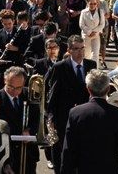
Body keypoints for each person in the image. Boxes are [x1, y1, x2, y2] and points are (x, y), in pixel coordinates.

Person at [61, 70, 118, 174]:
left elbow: (68, 150)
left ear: (88, 89)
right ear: (108, 89)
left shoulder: (75, 113)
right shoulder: (117, 114)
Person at [46, 35, 97, 174]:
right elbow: (52, 95)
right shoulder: (60, 67)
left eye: (82, 48)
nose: (80, 52)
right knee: (63, 156)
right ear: (69, 50)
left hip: (86, 119)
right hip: (65, 119)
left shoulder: (91, 65)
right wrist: (50, 118)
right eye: (76, 49)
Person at [0, 66, 39, 174]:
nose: (14, 91)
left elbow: (37, 117)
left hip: (27, 152)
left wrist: (30, 131)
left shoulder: (30, 94)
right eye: (10, 86)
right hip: (5, 152)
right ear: (4, 80)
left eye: (19, 87)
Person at [0, 9, 28, 88]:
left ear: (14, 21)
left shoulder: (21, 32)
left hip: (17, 66)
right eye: (5, 24)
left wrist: (15, 48)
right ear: (2, 23)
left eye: (9, 23)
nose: (7, 26)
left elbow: (26, 49)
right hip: (3, 68)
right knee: (2, 91)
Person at [79, 0, 105, 69]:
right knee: (86, 54)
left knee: (95, 53)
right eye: (91, 3)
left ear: (97, 4)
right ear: (87, 3)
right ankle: (85, 68)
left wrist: (94, 32)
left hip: (96, 35)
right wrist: (89, 32)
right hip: (86, 35)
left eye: (94, 3)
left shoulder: (100, 12)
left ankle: (94, 70)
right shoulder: (83, 12)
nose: (93, 5)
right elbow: (81, 24)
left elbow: (102, 24)